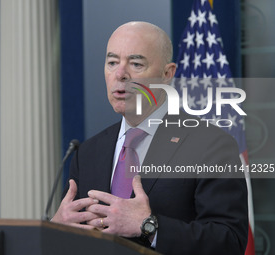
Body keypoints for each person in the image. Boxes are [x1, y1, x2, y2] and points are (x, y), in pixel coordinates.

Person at [51, 21, 248, 255]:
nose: (120, 74)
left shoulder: (211, 145)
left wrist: (149, 227)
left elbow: (229, 241)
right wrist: (55, 230)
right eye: (112, 62)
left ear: (167, 74)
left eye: (135, 63)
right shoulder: (87, 153)